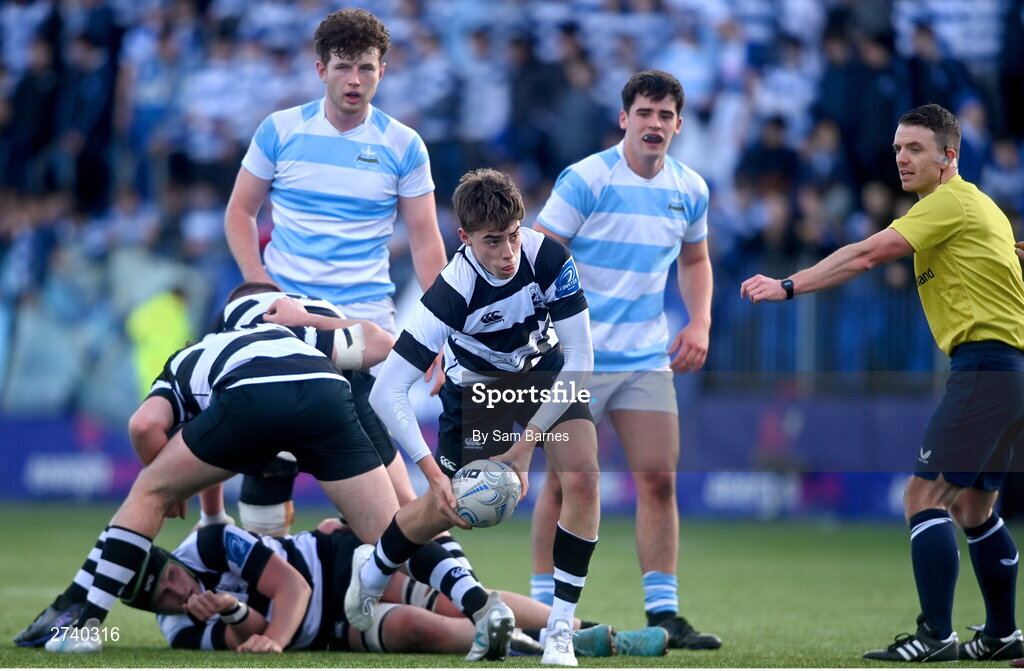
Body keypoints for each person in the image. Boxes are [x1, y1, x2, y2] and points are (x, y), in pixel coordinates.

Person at [14, 326, 510, 660]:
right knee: (393, 534)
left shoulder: (186, 360)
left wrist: (166, 486)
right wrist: (431, 356)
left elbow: (145, 424)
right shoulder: (285, 327)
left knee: (146, 493)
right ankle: (482, 607)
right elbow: (374, 342)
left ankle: (85, 620)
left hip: (251, 398)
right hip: (325, 393)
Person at [741, 103, 1024, 663]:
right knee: (974, 510)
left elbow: (868, 254)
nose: (901, 158)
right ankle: (1000, 636)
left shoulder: (949, 204)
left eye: (915, 148)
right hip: (1007, 373)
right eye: (897, 148)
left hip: (987, 368)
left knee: (923, 497)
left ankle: (937, 634)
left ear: (950, 156)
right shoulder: (981, 208)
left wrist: (789, 285)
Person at [356, 168, 601, 666]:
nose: (508, 253)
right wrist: (429, 471)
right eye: (493, 242)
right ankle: (374, 570)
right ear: (465, 238)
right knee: (447, 510)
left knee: (583, 477)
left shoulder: (549, 258)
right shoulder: (451, 290)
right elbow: (386, 392)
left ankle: (559, 632)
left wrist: (528, 443)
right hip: (478, 390)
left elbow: (581, 359)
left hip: (542, 372)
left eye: (514, 235)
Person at [222, 7, 448, 511]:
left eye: (366, 67)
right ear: (320, 68)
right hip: (286, 318)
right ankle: (263, 574)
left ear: (382, 72)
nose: (355, 79)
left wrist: (438, 332)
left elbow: (427, 243)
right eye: (343, 66)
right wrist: (260, 286)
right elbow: (239, 211)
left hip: (363, 322)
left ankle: (393, 577)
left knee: (373, 474)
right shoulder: (280, 130)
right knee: (270, 460)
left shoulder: (404, 145)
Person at [529, 69, 719, 650]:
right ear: (624, 118)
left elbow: (695, 261)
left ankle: (665, 613)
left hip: (643, 358)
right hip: (572, 361)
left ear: (679, 125)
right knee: (568, 484)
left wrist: (700, 321)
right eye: (644, 113)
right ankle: (541, 613)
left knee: (659, 480)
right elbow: (537, 255)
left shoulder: (691, 189)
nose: (654, 124)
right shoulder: (586, 179)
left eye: (665, 116)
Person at [116, 518, 669, 658]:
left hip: (337, 564)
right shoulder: (178, 633)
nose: (176, 592)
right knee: (415, 627)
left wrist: (276, 640)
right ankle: (533, 651)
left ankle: (581, 631)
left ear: (169, 558)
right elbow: (255, 636)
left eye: (170, 577)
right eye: (161, 599)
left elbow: (291, 590)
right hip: (333, 630)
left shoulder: (209, 545)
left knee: (456, 597)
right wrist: (235, 613)